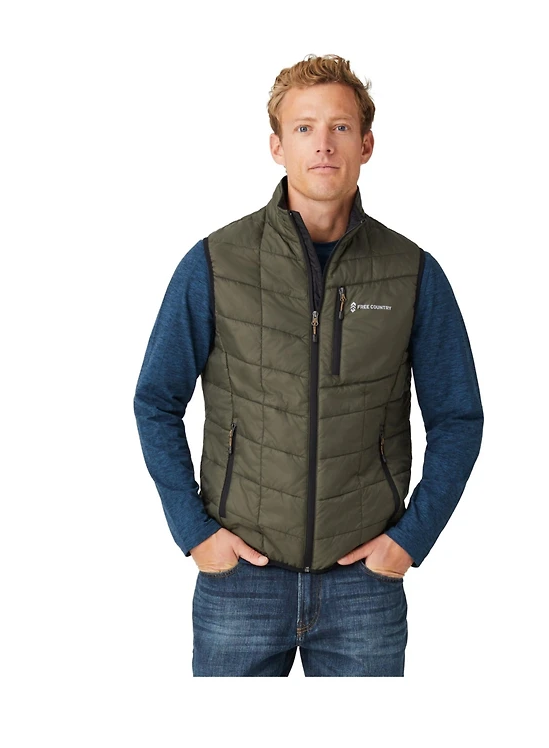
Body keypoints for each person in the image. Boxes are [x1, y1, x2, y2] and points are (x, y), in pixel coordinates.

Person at [133, 54, 484, 676]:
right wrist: (193, 531)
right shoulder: (215, 263)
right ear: (277, 146)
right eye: (304, 128)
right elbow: (155, 401)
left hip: (364, 584)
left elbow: (458, 417)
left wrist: (410, 540)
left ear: (366, 144)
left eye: (340, 127)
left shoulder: (412, 273)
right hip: (240, 579)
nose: (323, 144)